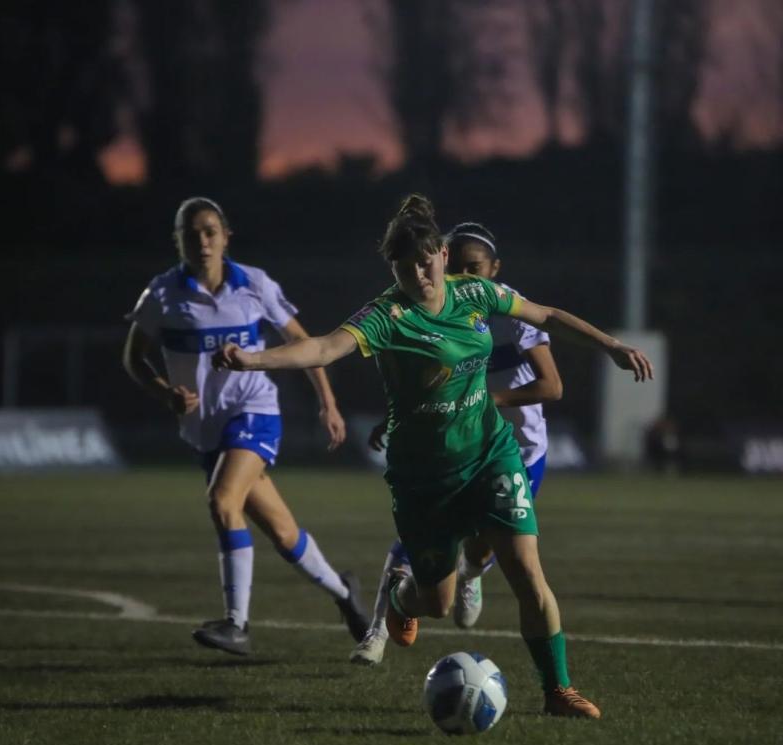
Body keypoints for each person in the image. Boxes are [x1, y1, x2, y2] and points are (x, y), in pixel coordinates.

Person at [212, 194, 653, 717]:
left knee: (528, 573)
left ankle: (557, 690)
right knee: (437, 603)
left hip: (491, 454)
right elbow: (325, 347)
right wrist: (252, 359)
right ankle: (402, 597)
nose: (419, 273)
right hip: (425, 478)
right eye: (404, 266)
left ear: (442, 255)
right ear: (392, 268)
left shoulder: (475, 292)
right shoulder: (386, 315)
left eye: (425, 261)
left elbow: (548, 314)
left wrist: (610, 345)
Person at [123, 196, 370, 657]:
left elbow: (303, 342)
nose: (202, 240)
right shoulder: (161, 294)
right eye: (192, 232)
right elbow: (133, 357)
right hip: (205, 430)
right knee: (282, 532)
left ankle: (237, 624)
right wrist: (165, 393)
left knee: (221, 501)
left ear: (225, 236)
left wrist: (328, 403)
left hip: (254, 411)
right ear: (178, 240)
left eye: (210, 231)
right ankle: (344, 593)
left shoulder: (253, 284)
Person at [350, 221, 562, 666]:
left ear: (495, 269)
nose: (466, 276)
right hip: (450, 449)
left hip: (517, 450)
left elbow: (552, 387)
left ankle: (471, 573)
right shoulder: (430, 311)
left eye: (476, 267)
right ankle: (375, 633)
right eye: (458, 266)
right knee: (415, 538)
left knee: (486, 547)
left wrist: (487, 396)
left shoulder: (507, 311)